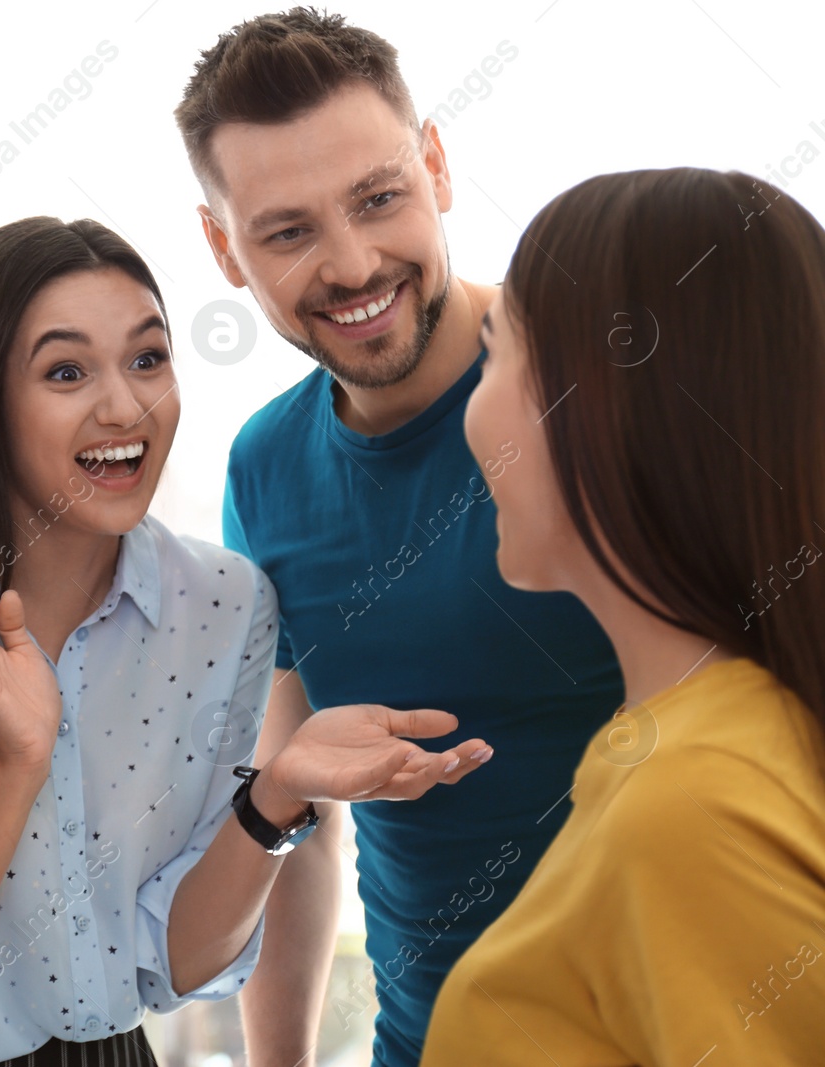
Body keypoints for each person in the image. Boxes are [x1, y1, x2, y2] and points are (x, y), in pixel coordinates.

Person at [0, 216, 488, 1067]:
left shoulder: (223, 603)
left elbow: (174, 960)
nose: (124, 405)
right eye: (66, 370)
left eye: (148, 358)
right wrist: (13, 765)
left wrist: (278, 794)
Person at [172, 10, 624, 1065]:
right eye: (286, 231)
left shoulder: (601, 388)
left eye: (378, 199)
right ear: (222, 249)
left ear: (434, 164)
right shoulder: (265, 467)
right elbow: (301, 804)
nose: (351, 263)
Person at [420, 167, 825, 1064]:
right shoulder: (696, 748)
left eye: (498, 353)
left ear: (601, 405)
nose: (471, 415)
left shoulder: (691, 807)